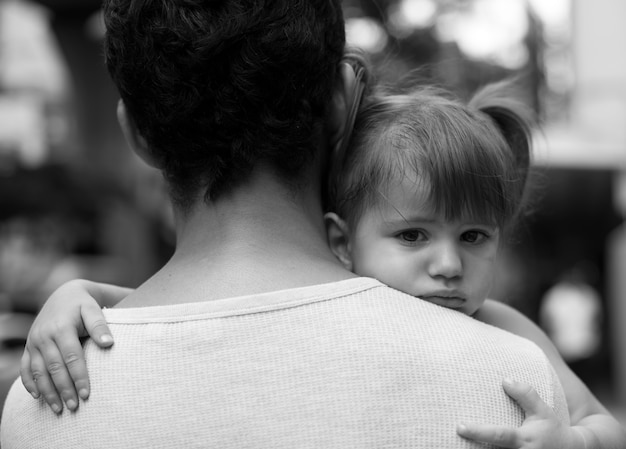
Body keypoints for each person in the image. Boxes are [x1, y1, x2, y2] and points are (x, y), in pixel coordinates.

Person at [1, 0, 572, 447]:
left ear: (137, 134)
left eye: (472, 236)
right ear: (343, 99)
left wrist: (83, 297)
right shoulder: (511, 384)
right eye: (415, 234)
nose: (447, 264)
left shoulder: (43, 397)